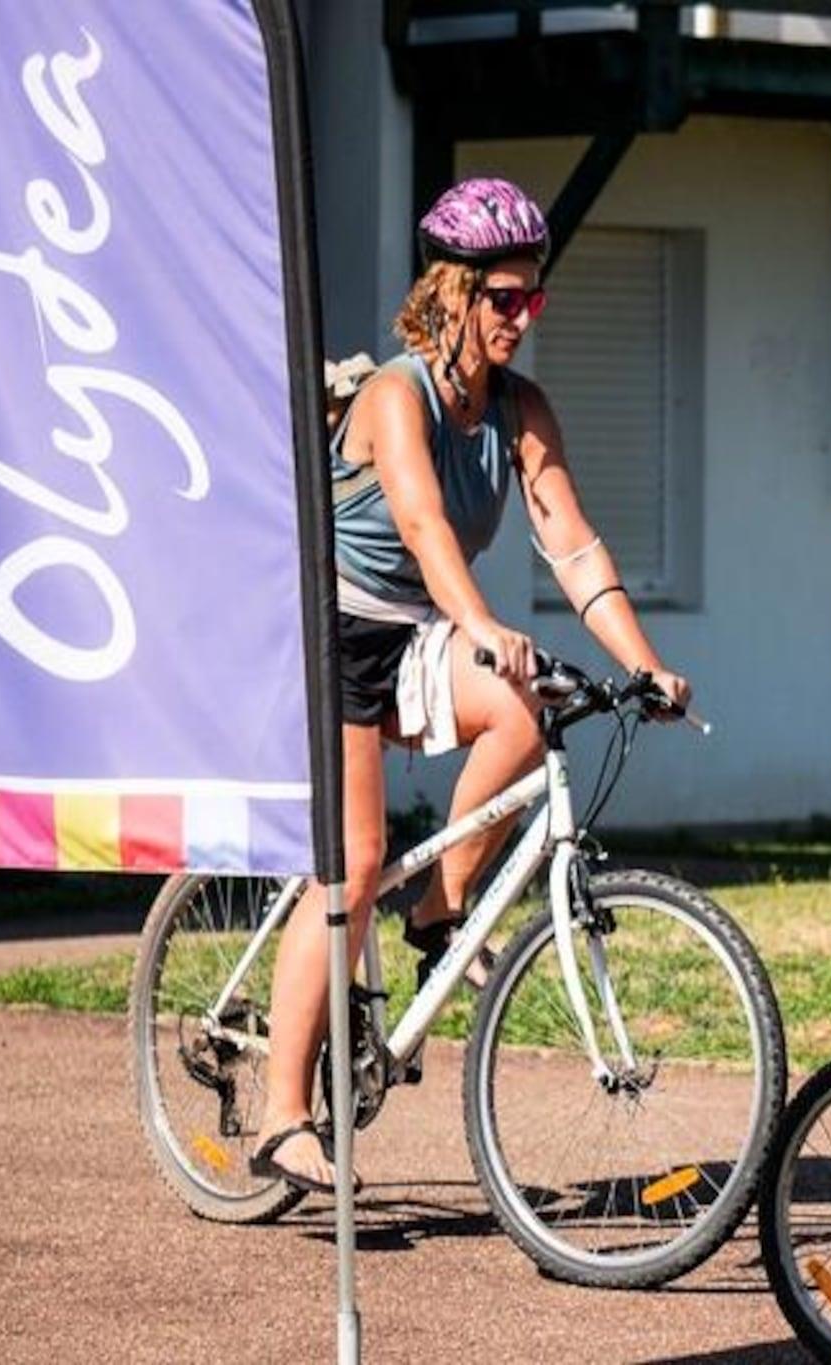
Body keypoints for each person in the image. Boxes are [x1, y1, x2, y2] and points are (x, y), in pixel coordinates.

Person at [251, 177, 691, 1194]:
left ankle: (435, 906)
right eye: (502, 297)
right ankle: (280, 1113)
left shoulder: (520, 411)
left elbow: (573, 546)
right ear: (450, 291)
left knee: (527, 716)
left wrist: (643, 661)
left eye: (533, 296)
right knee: (352, 864)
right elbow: (420, 525)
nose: (521, 316)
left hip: (415, 627)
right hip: (335, 628)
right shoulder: (393, 397)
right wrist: (482, 627)